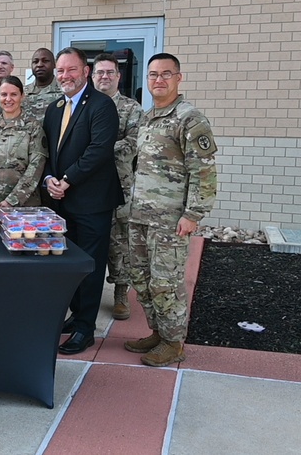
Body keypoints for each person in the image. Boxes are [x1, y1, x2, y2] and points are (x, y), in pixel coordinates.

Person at [125, 52, 217, 367]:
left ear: (179, 78)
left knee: (166, 282)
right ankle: (158, 332)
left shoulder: (190, 118)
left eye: (166, 74)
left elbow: (203, 171)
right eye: (153, 74)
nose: (159, 80)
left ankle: (174, 343)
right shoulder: (148, 117)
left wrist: (193, 215)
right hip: (140, 217)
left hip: (170, 221)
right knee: (142, 278)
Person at [42, 47, 121, 355]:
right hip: (61, 201)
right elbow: (48, 150)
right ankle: (76, 315)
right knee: (69, 263)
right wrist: (50, 179)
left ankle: (86, 328)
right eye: (60, 71)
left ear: (86, 71)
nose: (65, 76)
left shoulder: (102, 106)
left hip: (92, 202)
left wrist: (68, 179)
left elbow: (99, 150)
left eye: (71, 70)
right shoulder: (55, 107)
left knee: (89, 264)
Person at [91, 52, 142, 320]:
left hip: (119, 185)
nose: (105, 77)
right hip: (88, 187)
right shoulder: (84, 105)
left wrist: (96, 150)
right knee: (89, 238)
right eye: (100, 72)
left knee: (120, 240)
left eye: (110, 72)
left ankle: (121, 292)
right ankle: (86, 293)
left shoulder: (131, 109)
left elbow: (133, 144)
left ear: (119, 77)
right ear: (92, 75)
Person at [0, 76, 46, 232]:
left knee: (24, 253)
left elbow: (36, 167)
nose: (8, 99)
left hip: (24, 208)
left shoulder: (33, 128)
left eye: (13, 94)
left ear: (22, 96)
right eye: (4, 94)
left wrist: (11, 201)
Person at [23, 48, 64, 123]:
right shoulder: (22, 93)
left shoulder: (64, 91)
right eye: (35, 62)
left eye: (45, 61)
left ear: (54, 64)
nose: (40, 65)